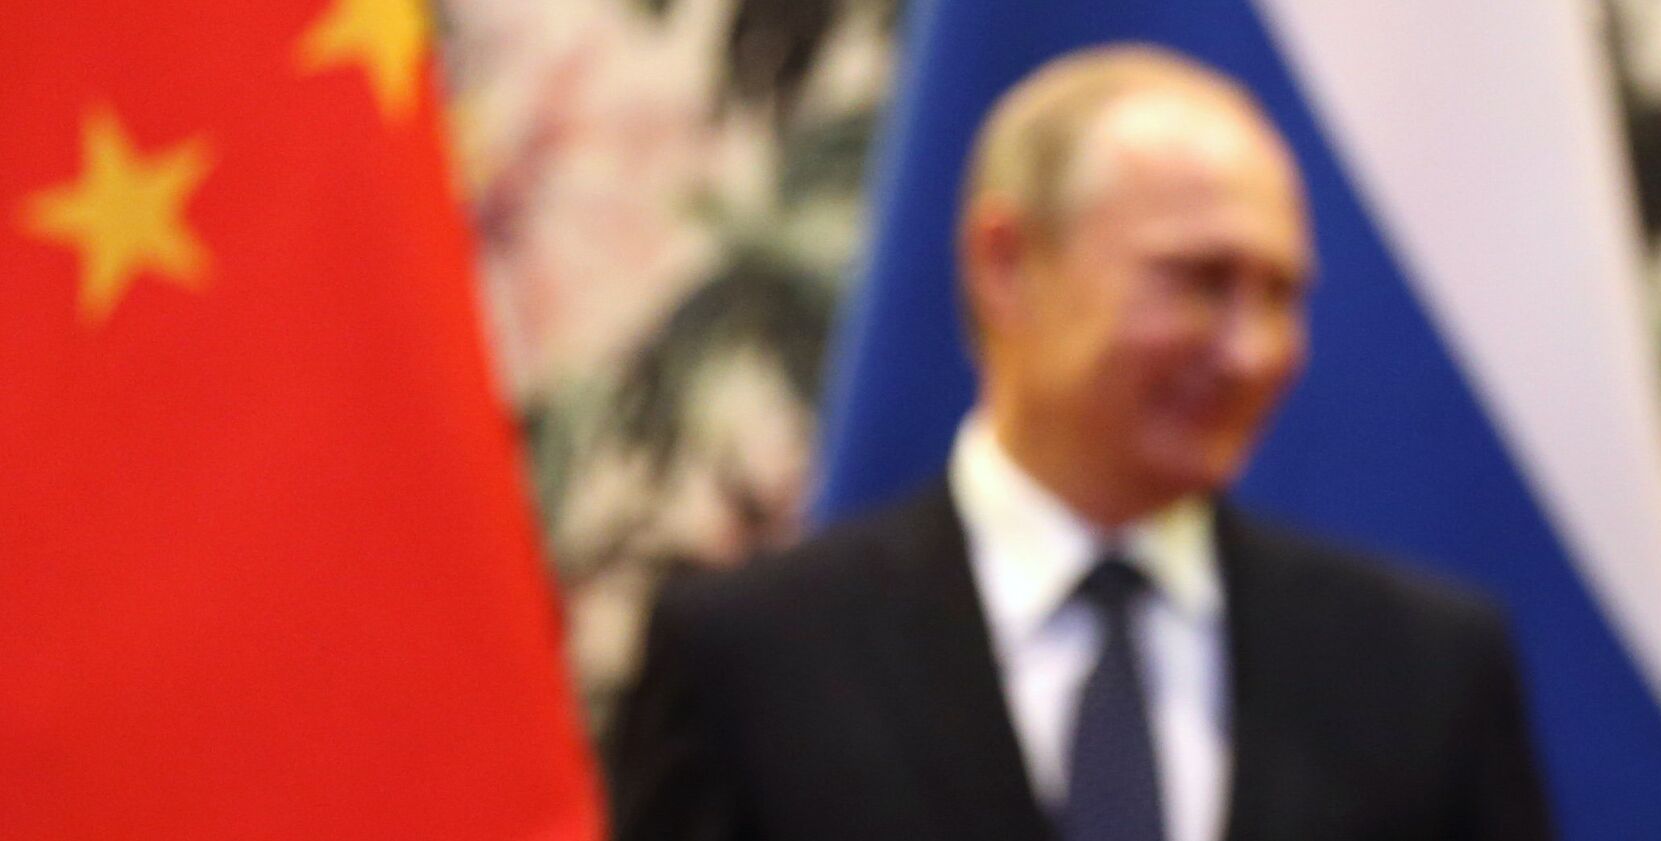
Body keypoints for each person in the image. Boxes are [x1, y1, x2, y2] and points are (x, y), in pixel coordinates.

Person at [610, 44, 1555, 841]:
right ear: (1008, 266)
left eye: (1281, 294)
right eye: (1200, 281)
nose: (1254, 350)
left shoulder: (1423, 667)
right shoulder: (753, 662)